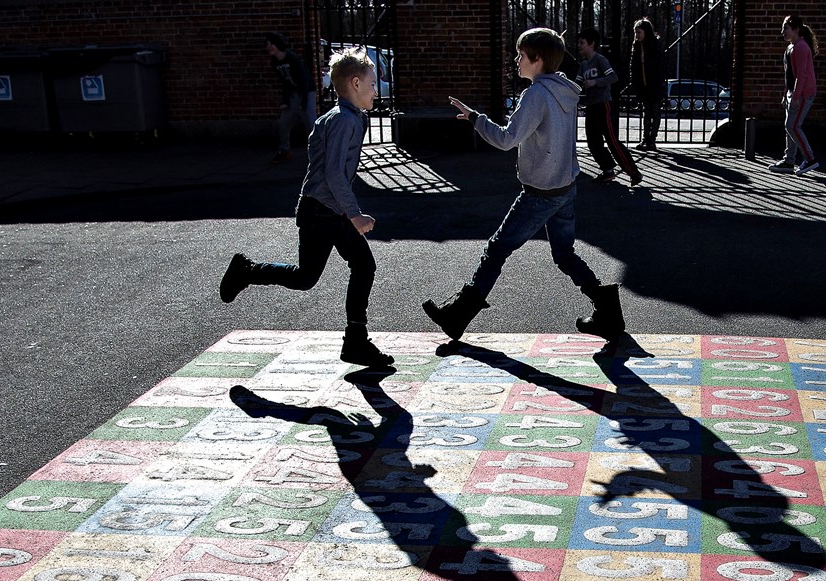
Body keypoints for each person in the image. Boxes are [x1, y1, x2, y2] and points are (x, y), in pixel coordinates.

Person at [422, 27, 626, 341]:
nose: (516, 60)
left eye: (521, 55)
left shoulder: (536, 94)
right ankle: (608, 312)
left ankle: (457, 316)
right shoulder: (565, 90)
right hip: (565, 187)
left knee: (496, 250)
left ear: (538, 59)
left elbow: (507, 139)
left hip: (541, 192)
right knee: (565, 254)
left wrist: (477, 119)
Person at [219, 47, 394, 367]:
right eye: (372, 83)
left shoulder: (342, 117)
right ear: (355, 83)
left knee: (353, 267)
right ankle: (246, 271)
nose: (375, 89)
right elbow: (333, 174)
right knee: (308, 277)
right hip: (321, 212)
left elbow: (321, 163)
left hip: (327, 209)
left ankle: (355, 341)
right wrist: (353, 213)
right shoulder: (343, 121)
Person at [576, 28, 643, 186]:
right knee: (593, 141)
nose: (579, 46)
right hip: (591, 106)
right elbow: (577, 83)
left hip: (603, 104)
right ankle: (608, 171)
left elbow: (613, 77)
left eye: (582, 43)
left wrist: (595, 82)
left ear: (591, 44)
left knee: (611, 139)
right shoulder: (583, 65)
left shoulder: (600, 60)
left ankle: (633, 172)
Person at [768, 15, 820, 175]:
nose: (782, 31)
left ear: (796, 30)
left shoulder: (801, 48)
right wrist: (787, 94)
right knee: (790, 127)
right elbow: (789, 75)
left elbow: (802, 76)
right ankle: (789, 161)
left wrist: (796, 97)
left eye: (786, 28)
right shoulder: (791, 47)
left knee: (793, 126)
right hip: (794, 92)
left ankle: (810, 159)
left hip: (804, 93)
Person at [266, 32, 316, 164]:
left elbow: (304, 81)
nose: (269, 47)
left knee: (310, 122)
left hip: (306, 92)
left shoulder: (292, 58)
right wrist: (285, 101)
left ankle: (317, 153)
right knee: (283, 123)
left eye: (271, 44)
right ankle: (284, 151)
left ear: (278, 45)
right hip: (293, 93)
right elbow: (285, 83)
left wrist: (303, 103)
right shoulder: (275, 62)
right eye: (268, 44)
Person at [630, 18, 664, 151]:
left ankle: (652, 139)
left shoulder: (655, 45)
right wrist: (635, 82)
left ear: (646, 32)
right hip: (643, 85)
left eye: (639, 32)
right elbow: (633, 66)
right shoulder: (637, 46)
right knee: (646, 112)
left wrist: (659, 83)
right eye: (635, 32)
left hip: (654, 85)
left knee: (655, 112)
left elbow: (660, 66)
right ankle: (645, 138)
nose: (637, 35)